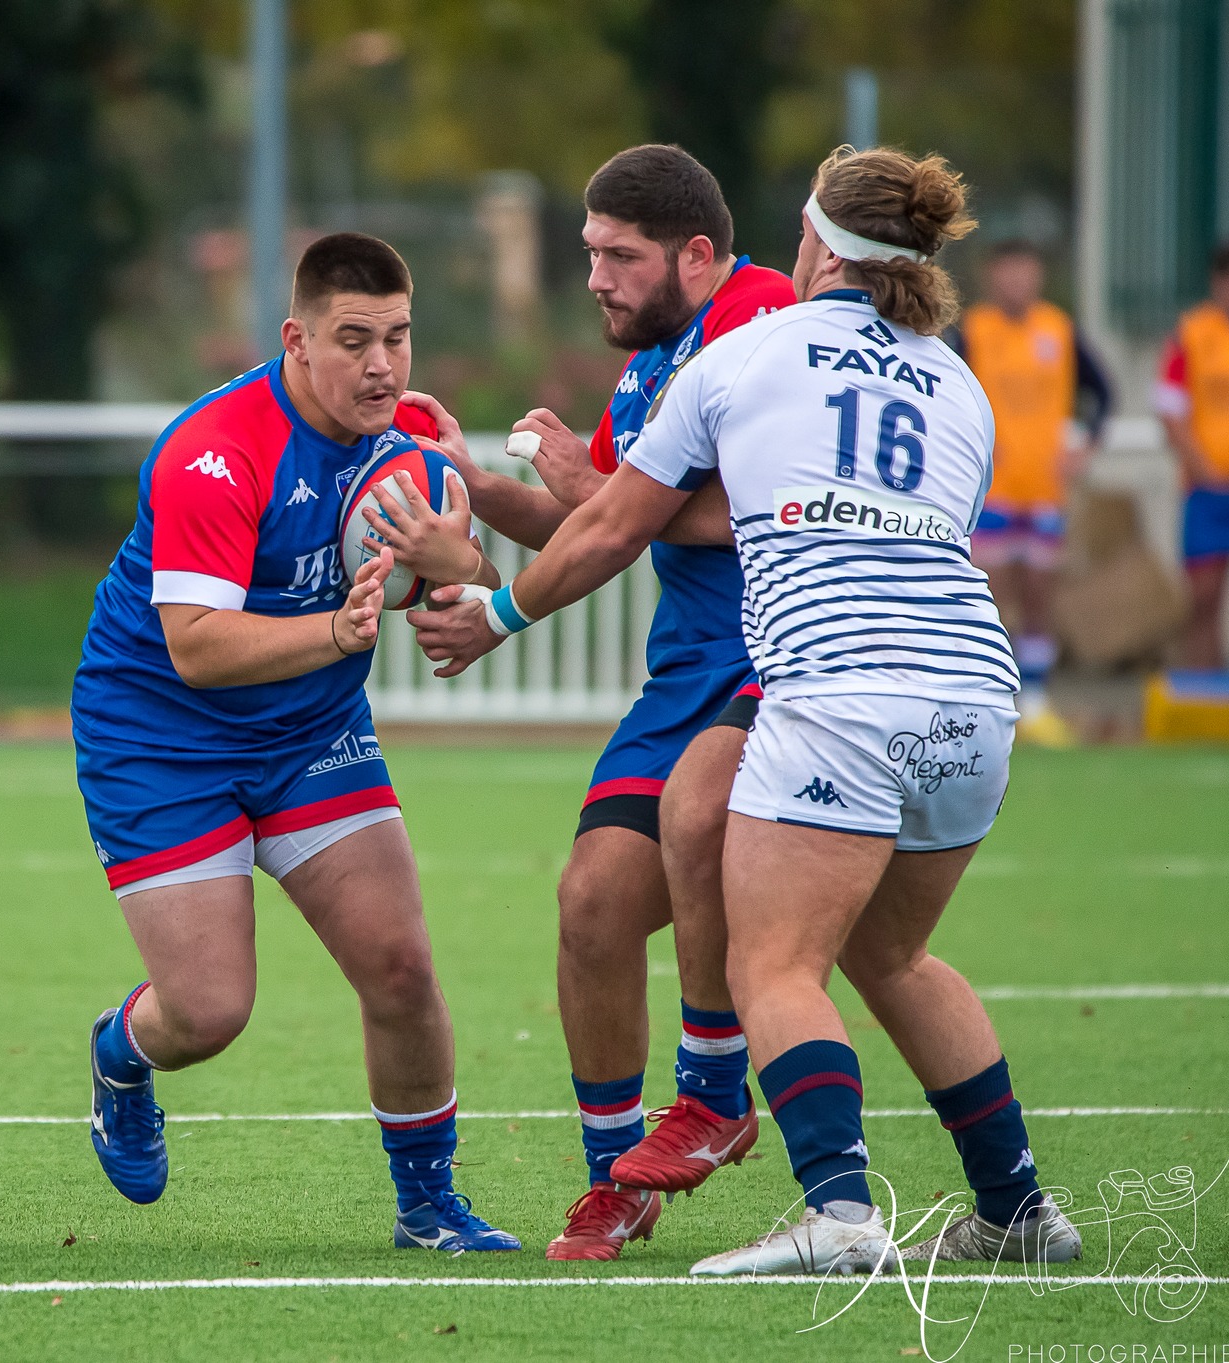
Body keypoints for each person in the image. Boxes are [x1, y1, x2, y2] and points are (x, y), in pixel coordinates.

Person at [417, 146, 1082, 1275]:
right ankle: (1016, 1208)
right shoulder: (955, 383)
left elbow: (620, 522)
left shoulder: (750, 348)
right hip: (974, 689)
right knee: (894, 953)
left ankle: (826, 1202)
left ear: (817, 245)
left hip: (833, 690)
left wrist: (494, 615)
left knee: (772, 965)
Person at [73, 231, 520, 1252]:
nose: (380, 365)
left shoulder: (407, 441)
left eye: (397, 338)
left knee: (400, 967)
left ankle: (426, 1205)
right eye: (352, 339)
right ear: (295, 338)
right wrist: (336, 631)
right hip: (159, 737)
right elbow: (193, 647)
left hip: (312, 730)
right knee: (207, 1012)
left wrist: (462, 565)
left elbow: (455, 594)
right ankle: (120, 1052)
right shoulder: (214, 451)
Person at [419, 145, 796, 1261]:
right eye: (587, 254)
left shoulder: (759, 314)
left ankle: (715, 1088)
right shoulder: (645, 367)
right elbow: (582, 521)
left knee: (711, 832)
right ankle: (615, 1180)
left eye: (617, 256)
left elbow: (718, 515)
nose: (595, 278)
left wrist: (569, 524)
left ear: (693, 252)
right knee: (589, 905)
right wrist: (475, 482)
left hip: (778, 662)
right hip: (684, 677)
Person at [952, 239, 1111, 742]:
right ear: (991, 276)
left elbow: (1103, 393)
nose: (1016, 281)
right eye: (1007, 271)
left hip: (1044, 492)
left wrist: (1085, 445)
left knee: (1041, 595)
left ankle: (1037, 701)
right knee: (989, 595)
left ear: (1038, 276)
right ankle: (985, 698)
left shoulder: (1059, 330)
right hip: (989, 493)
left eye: (1025, 271)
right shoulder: (970, 332)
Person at [1154, 241, 1229, 675]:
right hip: (1207, 488)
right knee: (1204, 595)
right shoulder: (1193, 334)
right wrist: (1202, 465)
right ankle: (1198, 685)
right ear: (1218, 283)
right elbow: (1170, 408)